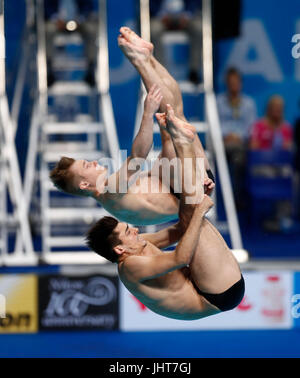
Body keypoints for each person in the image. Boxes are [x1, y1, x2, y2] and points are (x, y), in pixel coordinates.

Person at [86, 105, 244, 320]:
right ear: (120, 249)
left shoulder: (136, 245)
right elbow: (181, 256)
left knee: (189, 210)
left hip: (202, 279)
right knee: (191, 211)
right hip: (215, 294)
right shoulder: (131, 267)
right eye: (127, 231)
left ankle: (176, 139)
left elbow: (179, 231)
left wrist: (199, 197)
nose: (134, 230)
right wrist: (198, 209)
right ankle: (182, 143)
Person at [50, 27, 215, 226]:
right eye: (86, 166)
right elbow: (138, 157)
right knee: (172, 117)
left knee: (173, 118)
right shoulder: (110, 191)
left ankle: (148, 58)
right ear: (84, 184)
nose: (93, 162)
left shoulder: (112, 194)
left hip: (180, 186)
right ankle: (142, 60)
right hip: (188, 191)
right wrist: (147, 113)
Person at [249, 95, 294, 232]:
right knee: (279, 172)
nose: (277, 111)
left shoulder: (286, 128)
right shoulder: (259, 126)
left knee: (290, 176)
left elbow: (288, 151)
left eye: (280, 108)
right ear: (268, 109)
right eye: (274, 108)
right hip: (261, 169)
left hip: (280, 170)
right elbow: (254, 148)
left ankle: (283, 218)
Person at [217, 67, 257, 208]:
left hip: (241, 144)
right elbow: (216, 124)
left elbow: (251, 127)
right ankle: (231, 199)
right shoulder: (218, 102)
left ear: (240, 83)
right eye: (230, 82)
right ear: (227, 83)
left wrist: (239, 137)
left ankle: (235, 197)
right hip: (221, 144)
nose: (233, 85)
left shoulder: (249, 103)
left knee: (239, 157)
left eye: (236, 82)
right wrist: (224, 136)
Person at [44, 0, 98, 86]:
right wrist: (56, 19)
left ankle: (91, 70)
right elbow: (46, 8)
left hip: (79, 22)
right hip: (56, 23)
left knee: (91, 30)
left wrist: (79, 20)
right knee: (48, 30)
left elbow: (88, 8)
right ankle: (48, 70)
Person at [149, 0, 202, 84]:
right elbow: (151, 3)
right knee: (154, 29)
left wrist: (187, 16)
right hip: (162, 17)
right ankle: (161, 73)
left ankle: (194, 71)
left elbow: (195, 2)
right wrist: (161, 15)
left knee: (199, 28)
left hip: (185, 17)